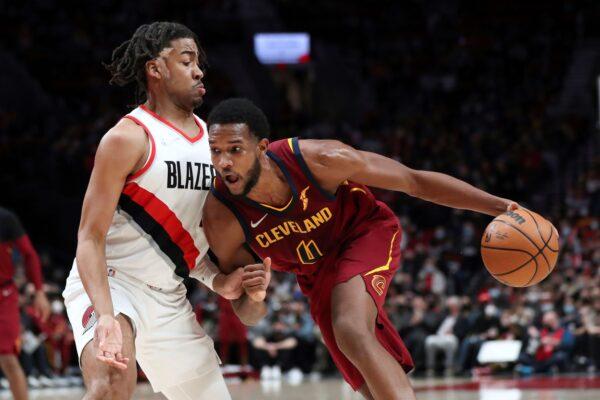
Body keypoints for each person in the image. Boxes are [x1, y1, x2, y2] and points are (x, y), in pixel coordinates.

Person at [202, 98, 520, 400]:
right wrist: (255, 297)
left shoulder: (320, 160)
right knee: (368, 382)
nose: (223, 162)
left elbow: (414, 181)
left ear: (261, 149)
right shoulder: (222, 216)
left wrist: (500, 206)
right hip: (315, 273)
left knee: (350, 329)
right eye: (215, 151)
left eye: (234, 149)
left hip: (363, 233)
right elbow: (247, 313)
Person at [61, 22, 246, 400]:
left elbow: (183, 239)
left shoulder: (213, 145)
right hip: (112, 283)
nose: (198, 70)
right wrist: (106, 314)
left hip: (168, 295)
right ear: (155, 69)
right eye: (186, 60)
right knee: (111, 384)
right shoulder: (127, 138)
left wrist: (217, 281)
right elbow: (89, 237)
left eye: (199, 63)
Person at [0, 206, 50, 400]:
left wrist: (39, 291)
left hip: (4, 296)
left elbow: (29, 254)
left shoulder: (5, 218)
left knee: (8, 359)